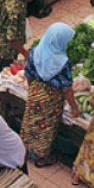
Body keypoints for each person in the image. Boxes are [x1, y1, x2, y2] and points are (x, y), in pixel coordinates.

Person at [20, 22, 78, 167]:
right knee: (46, 127)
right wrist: (74, 107)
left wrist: (33, 90)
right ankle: (41, 157)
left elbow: (28, 74)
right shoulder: (63, 63)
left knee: (30, 121)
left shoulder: (35, 51)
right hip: (52, 98)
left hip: (35, 91)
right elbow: (67, 89)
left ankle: (25, 149)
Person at [0, 0, 45, 108]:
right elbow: (12, 39)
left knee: (0, 63)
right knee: (2, 68)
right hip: (6, 45)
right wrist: (25, 53)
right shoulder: (15, 10)